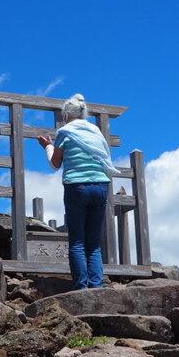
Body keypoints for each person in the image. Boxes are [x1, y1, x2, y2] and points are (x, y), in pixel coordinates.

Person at [38, 93, 118, 289]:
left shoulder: (65, 132)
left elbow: (55, 164)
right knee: (94, 243)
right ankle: (97, 287)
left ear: (66, 114)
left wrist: (48, 146)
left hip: (77, 186)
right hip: (101, 185)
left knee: (77, 242)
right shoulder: (96, 131)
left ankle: (81, 288)